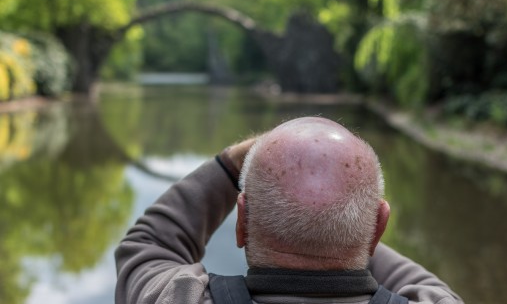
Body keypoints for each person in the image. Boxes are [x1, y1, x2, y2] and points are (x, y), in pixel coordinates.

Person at [115, 117, 463, 304]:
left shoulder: (176, 299)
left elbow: (149, 246)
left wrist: (230, 164)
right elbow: (424, 283)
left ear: (243, 222)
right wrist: (344, 225)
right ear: (378, 227)